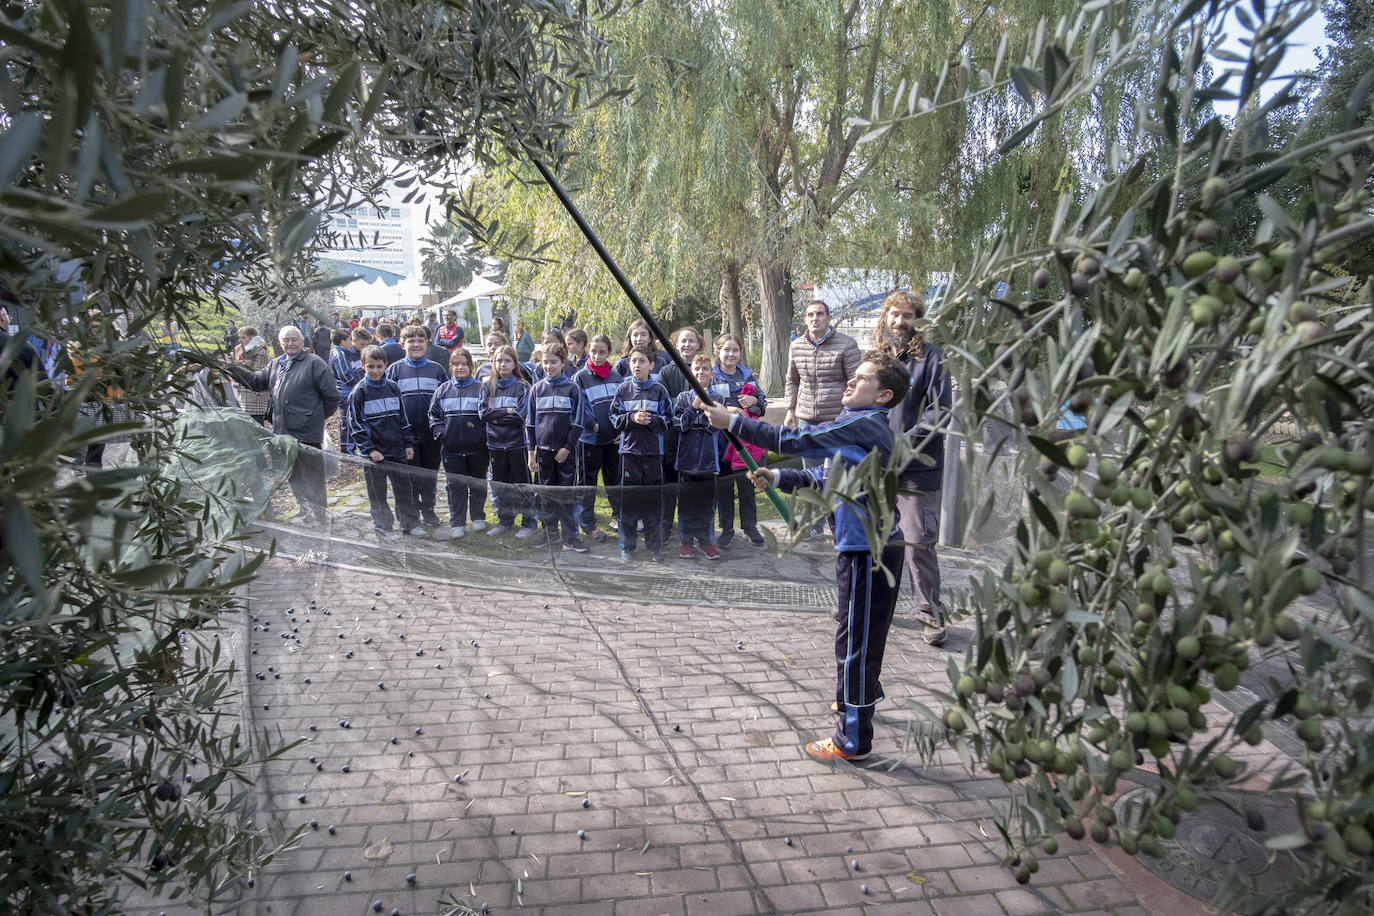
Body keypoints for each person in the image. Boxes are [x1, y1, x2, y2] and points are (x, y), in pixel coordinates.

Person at [701, 349, 911, 762]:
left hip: (872, 552)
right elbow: (823, 475)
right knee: (852, 635)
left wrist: (735, 423)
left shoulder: (866, 423)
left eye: (862, 379)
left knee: (857, 643)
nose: (851, 382)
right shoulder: (857, 429)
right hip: (857, 549)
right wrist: (777, 475)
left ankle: (853, 738)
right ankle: (855, 696)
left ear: (883, 396)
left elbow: (796, 439)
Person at [876, 289, 954, 646]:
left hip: (916, 469)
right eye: (895, 314)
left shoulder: (932, 358)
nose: (900, 321)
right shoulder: (875, 359)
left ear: (918, 321)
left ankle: (930, 614)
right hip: (875, 467)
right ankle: (875, 607)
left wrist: (903, 446)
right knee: (875, 540)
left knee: (917, 544)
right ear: (885, 317)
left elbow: (940, 412)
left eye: (907, 316)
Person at [225, 325, 340, 525]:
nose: (290, 343)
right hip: (282, 433)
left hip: (307, 433)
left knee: (312, 476)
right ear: (280, 343)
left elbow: (332, 397)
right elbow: (256, 382)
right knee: (293, 474)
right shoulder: (276, 364)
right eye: (286, 340)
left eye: (294, 339)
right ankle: (304, 510)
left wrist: (315, 418)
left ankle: (320, 515)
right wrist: (233, 369)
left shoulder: (315, 363)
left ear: (302, 342)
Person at [349, 345, 420, 539]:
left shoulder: (393, 387)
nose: (375, 370)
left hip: (396, 449)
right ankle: (383, 528)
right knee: (377, 493)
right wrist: (370, 450)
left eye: (379, 366)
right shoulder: (359, 392)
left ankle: (409, 523)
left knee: (404, 489)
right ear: (363, 366)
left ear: (385, 365)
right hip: (374, 455)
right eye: (370, 366)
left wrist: (408, 443)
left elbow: (402, 418)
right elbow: (355, 425)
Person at [611, 345, 672, 562]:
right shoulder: (623, 390)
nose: (637, 365)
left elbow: (669, 420)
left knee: (653, 503)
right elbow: (614, 418)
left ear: (652, 365)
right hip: (629, 454)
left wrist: (652, 421)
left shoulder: (660, 391)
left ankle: (654, 547)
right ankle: (627, 547)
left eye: (642, 361)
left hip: (654, 454)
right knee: (628, 503)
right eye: (634, 361)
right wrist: (631, 418)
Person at [526, 342, 588, 552]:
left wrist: (568, 447)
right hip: (543, 452)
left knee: (566, 496)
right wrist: (530, 454)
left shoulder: (572, 389)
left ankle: (570, 537)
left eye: (554, 362)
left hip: (566, 454)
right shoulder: (536, 389)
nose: (549, 366)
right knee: (545, 495)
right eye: (545, 362)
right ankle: (549, 533)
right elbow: (530, 424)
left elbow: (578, 422)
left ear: (563, 362)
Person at [385, 326, 449, 527]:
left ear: (427, 344)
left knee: (429, 476)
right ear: (403, 344)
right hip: (405, 437)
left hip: (431, 435)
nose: (416, 344)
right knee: (408, 478)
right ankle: (410, 514)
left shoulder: (437, 369)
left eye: (421, 340)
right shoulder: (394, 371)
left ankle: (429, 511)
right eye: (411, 341)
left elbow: (445, 400)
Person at [710, 333, 766, 547]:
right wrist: (727, 409)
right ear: (718, 352)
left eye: (735, 350)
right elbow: (703, 401)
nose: (731, 354)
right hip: (721, 441)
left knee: (747, 486)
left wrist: (754, 401)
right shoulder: (711, 375)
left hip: (746, 443)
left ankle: (749, 526)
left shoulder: (748, 375)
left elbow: (762, 405)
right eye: (726, 350)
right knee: (724, 487)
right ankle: (726, 528)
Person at [429, 348, 488, 539]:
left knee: (478, 483)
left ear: (471, 366)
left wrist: (483, 437)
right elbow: (434, 415)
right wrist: (440, 433)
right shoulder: (443, 390)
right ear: (451, 367)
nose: (460, 367)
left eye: (464, 364)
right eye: (456, 364)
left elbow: (487, 416)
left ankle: (478, 515)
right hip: (452, 450)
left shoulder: (481, 389)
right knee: (455, 486)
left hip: (477, 449)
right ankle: (457, 521)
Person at [479, 344, 537, 538]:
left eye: (507, 361)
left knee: (522, 486)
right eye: (499, 361)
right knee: (500, 485)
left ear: (514, 364)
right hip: (495, 445)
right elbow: (483, 413)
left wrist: (497, 416)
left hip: (517, 445)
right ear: (494, 363)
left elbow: (519, 417)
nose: (502, 365)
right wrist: (506, 411)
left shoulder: (522, 387)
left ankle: (529, 522)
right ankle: (505, 521)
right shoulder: (487, 386)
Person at [572, 333, 621, 542]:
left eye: (602, 352)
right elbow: (578, 406)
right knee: (587, 483)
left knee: (614, 480)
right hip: (589, 441)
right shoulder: (580, 377)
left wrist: (621, 429)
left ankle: (619, 516)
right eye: (594, 352)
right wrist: (595, 425)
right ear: (588, 352)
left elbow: (623, 405)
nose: (598, 356)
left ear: (609, 352)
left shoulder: (616, 376)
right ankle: (587, 523)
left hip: (614, 441)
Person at [657, 326, 704, 546]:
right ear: (676, 344)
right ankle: (665, 526)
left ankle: (691, 531)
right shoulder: (667, 371)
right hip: (672, 437)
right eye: (683, 341)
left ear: (698, 344)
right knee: (668, 485)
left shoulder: (703, 369)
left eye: (691, 341)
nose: (687, 345)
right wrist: (687, 403)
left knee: (691, 487)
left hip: (696, 440)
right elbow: (665, 403)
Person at [674, 353, 721, 560]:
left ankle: (706, 541)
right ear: (690, 374)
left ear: (712, 373)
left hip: (708, 461)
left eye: (705, 369)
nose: (701, 373)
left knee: (706, 505)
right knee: (686, 504)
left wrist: (705, 409)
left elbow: (715, 427)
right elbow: (681, 425)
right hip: (686, 461)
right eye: (697, 369)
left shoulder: (718, 399)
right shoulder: (683, 398)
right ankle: (686, 541)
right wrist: (694, 407)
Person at [329, 328, 365, 454]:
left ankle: (351, 447)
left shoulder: (343, 352)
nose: (351, 342)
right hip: (346, 393)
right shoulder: (340, 354)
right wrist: (361, 383)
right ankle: (347, 449)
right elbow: (346, 377)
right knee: (347, 421)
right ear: (343, 341)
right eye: (349, 340)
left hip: (349, 392)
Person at [232, 326, 272, 425]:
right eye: (239, 337)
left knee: (256, 429)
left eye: (243, 337)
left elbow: (257, 377)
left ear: (252, 338)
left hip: (255, 398)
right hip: (244, 396)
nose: (240, 340)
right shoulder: (242, 350)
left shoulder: (260, 352)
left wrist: (236, 366)